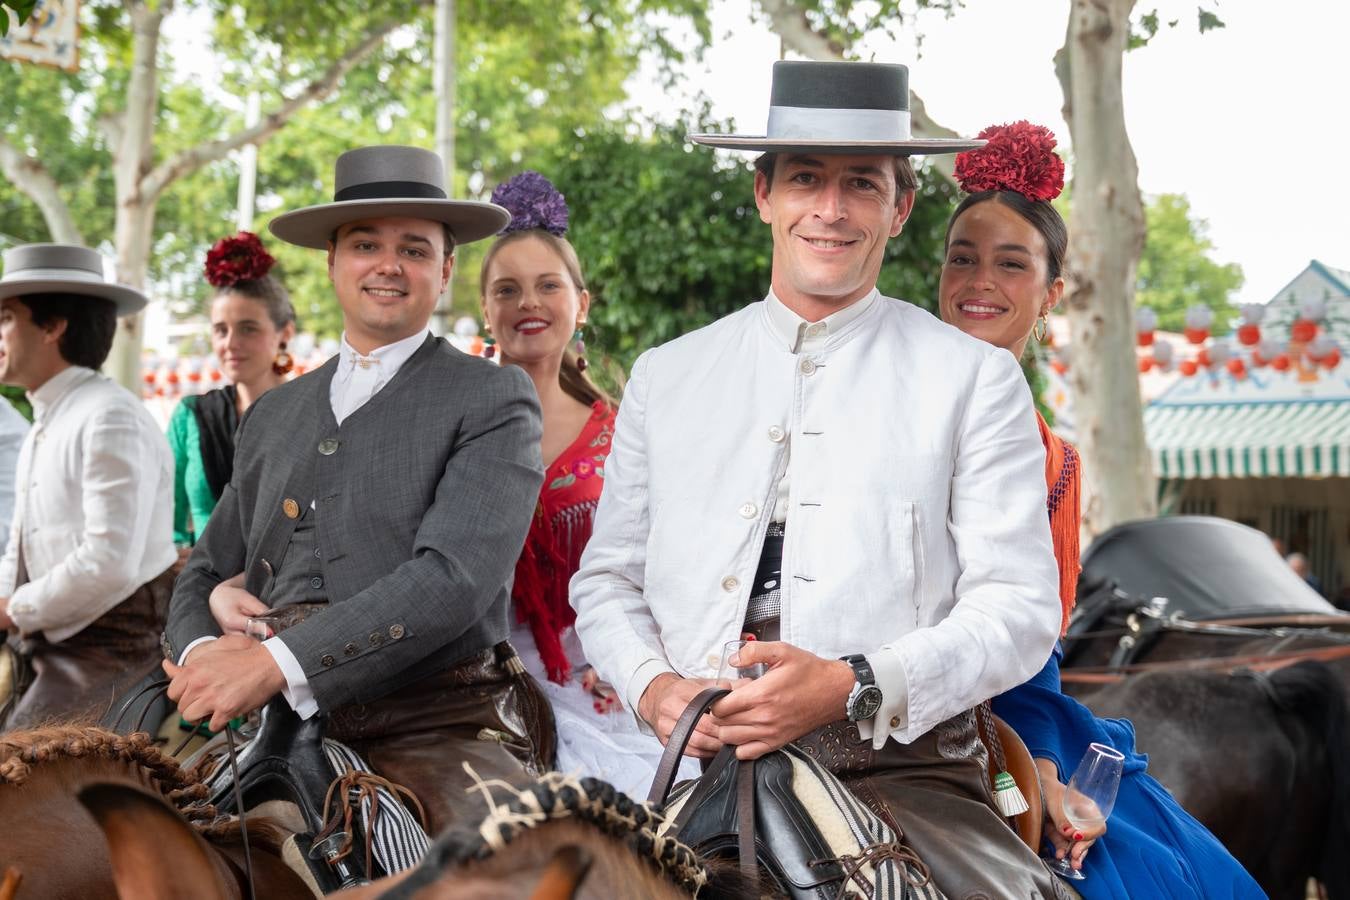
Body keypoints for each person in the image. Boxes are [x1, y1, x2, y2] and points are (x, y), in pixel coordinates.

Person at [571, 61, 1068, 898]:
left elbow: (1019, 608)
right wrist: (654, 686)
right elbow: (607, 579)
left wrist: (855, 683)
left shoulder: (973, 379)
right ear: (766, 194)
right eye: (806, 179)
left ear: (900, 208)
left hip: (902, 778)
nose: (831, 210)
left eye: (862, 185)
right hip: (696, 780)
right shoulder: (669, 374)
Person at [162, 145, 552, 833]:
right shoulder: (276, 411)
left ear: (446, 269)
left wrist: (273, 663)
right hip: (267, 726)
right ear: (333, 262)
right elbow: (203, 570)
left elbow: (453, 578)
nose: (388, 265)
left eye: (414, 248)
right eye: (366, 243)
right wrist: (202, 655)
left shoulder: (493, 397)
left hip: (433, 726)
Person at [942, 122, 1265, 898]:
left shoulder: (1057, 462)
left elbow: (1034, 649)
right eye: (962, 257)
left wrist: (1040, 771)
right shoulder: (881, 398)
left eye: (1011, 264)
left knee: (1171, 875)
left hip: (1004, 727)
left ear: (1052, 295)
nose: (980, 280)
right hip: (866, 707)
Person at [480, 171, 700, 795]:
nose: (528, 303)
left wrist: (639, 668)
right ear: (485, 308)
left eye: (548, 285)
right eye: (507, 288)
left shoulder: (625, 431)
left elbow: (663, 568)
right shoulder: (448, 424)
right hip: (479, 682)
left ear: (582, 303)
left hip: (602, 679)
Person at [0, 243, 177, 728]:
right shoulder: (49, 416)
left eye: (8, 318)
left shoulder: (109, 415)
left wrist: (15, 608)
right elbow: (25, 552)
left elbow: (108, 561)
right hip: (54, 641)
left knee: (16, 783)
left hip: (113, 652)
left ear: (54, 326)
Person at [168, 232, 296, 548]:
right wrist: (178, 550)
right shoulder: (191, 417)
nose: (230, 344)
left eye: (248, 329)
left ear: (284, 334)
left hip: (287, 589)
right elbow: (164, 515)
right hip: (200, 587)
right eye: (220, 330)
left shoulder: (314, 413)